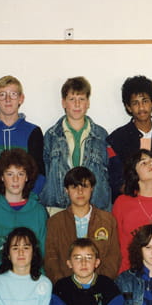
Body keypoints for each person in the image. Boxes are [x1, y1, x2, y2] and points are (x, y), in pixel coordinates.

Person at [41, 76, 111, 211]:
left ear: (88, 103)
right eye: (72, 99)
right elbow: (46, 173)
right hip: (59, 208)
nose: (77, 104)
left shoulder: (101, 135)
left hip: (93, 209)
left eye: (82, 99)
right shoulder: (51, 136)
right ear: (63, 103)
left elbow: (106, 176)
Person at [0, 148, 48, 279]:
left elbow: (42, 254)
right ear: (1, 177)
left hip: (31, 283)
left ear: (27, 177)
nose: (15, 180)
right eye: (10, 174)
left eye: (20, 174)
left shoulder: (38, 211)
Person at [0, 75, 45, 203]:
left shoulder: (33, 131)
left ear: (21, 98)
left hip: (26, 202)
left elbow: (38, 173)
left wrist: (22, 198)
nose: (8, 99)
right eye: (2, 95)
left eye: (13, 94)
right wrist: (1, 199)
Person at [44, 166, 120, 284]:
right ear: (66, 190)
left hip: (100, 287)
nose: (80, 192)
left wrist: (99, 284)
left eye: (85, 186)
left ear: (92, 188)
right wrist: (65, 284)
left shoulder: (107, 220)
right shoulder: (55, 222)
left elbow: (113, 258)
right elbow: (51, 258)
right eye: (74, 187)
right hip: (65, 287)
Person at [107, 75, 152, 198]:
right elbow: (115, 179)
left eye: (145, 101)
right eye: (135, 103)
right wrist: (139, 200)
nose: (141, 107)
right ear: (128, 107)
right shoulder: (117, 139)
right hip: (131, 203)